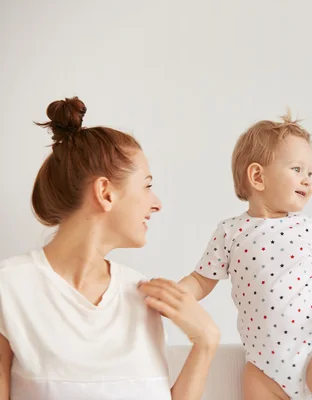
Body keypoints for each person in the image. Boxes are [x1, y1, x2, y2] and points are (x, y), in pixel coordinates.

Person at [0, 97, 220, 400]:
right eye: (146, 185)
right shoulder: (10, 288)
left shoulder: (143, 296)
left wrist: (205, 344)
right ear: (105, 193)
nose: (157, 203)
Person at [180, 112, 312, 400]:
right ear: (258, 176)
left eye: (310, 172)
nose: (307, 180)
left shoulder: (308, 228)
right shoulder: (231, 232)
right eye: (297, 169)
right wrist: (174, 295)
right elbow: (201, 279)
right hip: (262, 366)